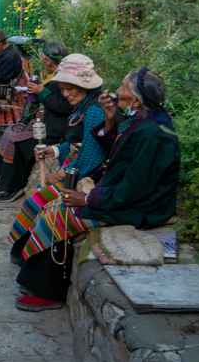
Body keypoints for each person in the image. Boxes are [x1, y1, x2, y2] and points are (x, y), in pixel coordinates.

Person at [11, 67, 180, 312]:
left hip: (142, 207)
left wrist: (89, 199)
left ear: (135, 99)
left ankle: (48, 292)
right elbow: (118, 152)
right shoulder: (142, 120)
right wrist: (111, 118)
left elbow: (134, 187)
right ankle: (30, 268)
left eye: (122, 86)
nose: (116, 91)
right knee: (52, 204)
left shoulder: (153, 135)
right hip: (121, 193)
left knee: (60, 215)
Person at [7, 53, 107, 243]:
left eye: (70, 89)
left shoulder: (95, 112)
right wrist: (54, 151)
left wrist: (60, 176)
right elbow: (77, 143)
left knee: (38, 204)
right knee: (34, 200)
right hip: (75, 174)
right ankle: (22, 246)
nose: (65, 94)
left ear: (84, 86)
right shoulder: (84, 107)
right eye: (63, 89)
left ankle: (29, 251)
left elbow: (90, 157)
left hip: (84, 183)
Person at [0, 42, 73, 202]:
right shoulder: (54, 76)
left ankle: (15, 187)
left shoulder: (64, 80)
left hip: (57, 131)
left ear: (51, 60)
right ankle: (5, 180)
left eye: (45, 58)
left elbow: (62, 107)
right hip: (49, 123)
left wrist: (41, 91)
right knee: (11, 132)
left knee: (19, 143)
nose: (43, 60)